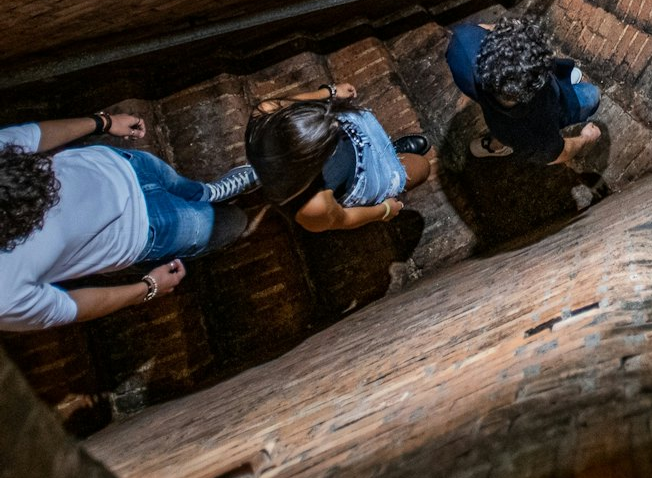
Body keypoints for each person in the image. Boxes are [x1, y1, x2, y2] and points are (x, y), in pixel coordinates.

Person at [0, 111, 256, 331]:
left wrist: (103, 122)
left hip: (124, 165)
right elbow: (71, 308)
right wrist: (148, 287)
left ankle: (210, 192)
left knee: (185, 187)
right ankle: (221, 206)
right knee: (231, 223)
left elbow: (32, 136)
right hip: (146, 232)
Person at [244, 82, 432, 232]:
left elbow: (289, 102)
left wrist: (330, 93)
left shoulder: (265, 113)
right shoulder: (311, 205)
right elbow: (344, 218)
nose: (337, 122)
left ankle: (389, 150)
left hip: (355, 138)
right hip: (361, 177)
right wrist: (384, 211)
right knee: (423, 168)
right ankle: (392, 158)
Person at [446, 16, 601, 163]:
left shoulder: (462, 42)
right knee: (593, 95)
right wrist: (585, 138)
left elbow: (486, 29)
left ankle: (495, 144)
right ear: (534, 89)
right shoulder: (531, 133)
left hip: (492, 108)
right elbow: (559, 154)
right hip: (546, 111)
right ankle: (497, 145)